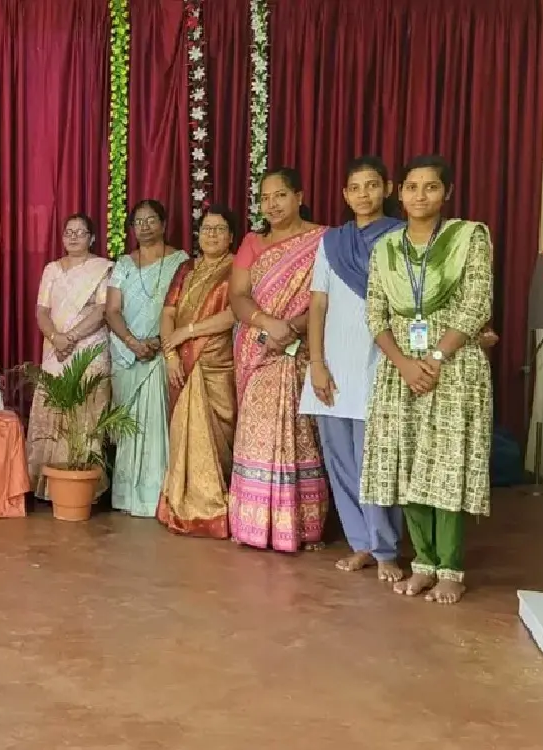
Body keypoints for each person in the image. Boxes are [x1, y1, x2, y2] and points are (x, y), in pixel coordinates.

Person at [361, 155, 493, 605]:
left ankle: (451, 568)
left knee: (446, 466)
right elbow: (375, 313)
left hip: (454, 368)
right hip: (400, 370)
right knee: (407, 463)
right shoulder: (385, 247)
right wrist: (403, 363)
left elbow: (476, 303)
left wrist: (436, 357)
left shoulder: (468, 237)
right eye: (412, 187)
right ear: (400, 193)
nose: (420, 195)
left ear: (447, 193)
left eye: (431, 187)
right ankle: (423, 563)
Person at [301, 157, 406, 581]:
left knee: (375, 461)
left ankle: (385, 548)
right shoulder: (333, 242)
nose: (364, 194)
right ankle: (361, 543)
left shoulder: (401, 237)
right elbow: (318, 304)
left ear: (388, 188)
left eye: (372, 185)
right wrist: (317, 363)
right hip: (333, 366)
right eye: (355, 187)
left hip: (381, 362)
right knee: (341, 462)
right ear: (345, 195)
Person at [227, 168, 330, 552]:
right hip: (258, 347)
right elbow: (238, 296)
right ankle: (254, 524)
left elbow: (328, 297)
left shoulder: (323, 240)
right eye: (265, 197)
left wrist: (294, 326)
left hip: (305, 349)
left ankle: (302, 525)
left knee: (302, 434)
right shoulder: (253, 242)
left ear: (299, 197)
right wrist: (267, 323)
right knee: (257, 431)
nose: (271, 204)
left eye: (280, 195)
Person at [156, 206, 239, 538]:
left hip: (218, 362)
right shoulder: (186, 269)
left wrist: (188, 332)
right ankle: (182, 503)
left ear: (231, 236)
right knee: (184, 433)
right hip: (182, 363)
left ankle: (217, 507)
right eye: (206, 228)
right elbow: (167, 314)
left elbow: (235, 313)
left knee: (220, 433)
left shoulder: (238, 267)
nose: (212, 235)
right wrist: (170, 354)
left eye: (219, 229)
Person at [105, 200, 189, 516]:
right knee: (130, 429)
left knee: (158, 427)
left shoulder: (181, 262)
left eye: (151, 220)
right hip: (127, 354)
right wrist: (132, 342)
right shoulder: (123, 264)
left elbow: (186, 308)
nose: (144, 226)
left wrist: (159, 342)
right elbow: (111, 310)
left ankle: (158, 496)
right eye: (138, 222)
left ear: (164, 224)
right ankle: (127, 496)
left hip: (162, 353)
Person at [26, 214, 114, 499]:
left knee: (85, 413)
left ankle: (83, 487)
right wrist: (56, 337)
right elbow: (42, 311)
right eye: (68, 232)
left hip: (88, 348)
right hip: (55, 349)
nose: (73, 237)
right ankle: (46, 483)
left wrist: (71, 337)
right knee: (53, 408)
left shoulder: (102, 269)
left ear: (92, 238)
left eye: (80, 232)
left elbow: (102, 310)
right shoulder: (51, 269)